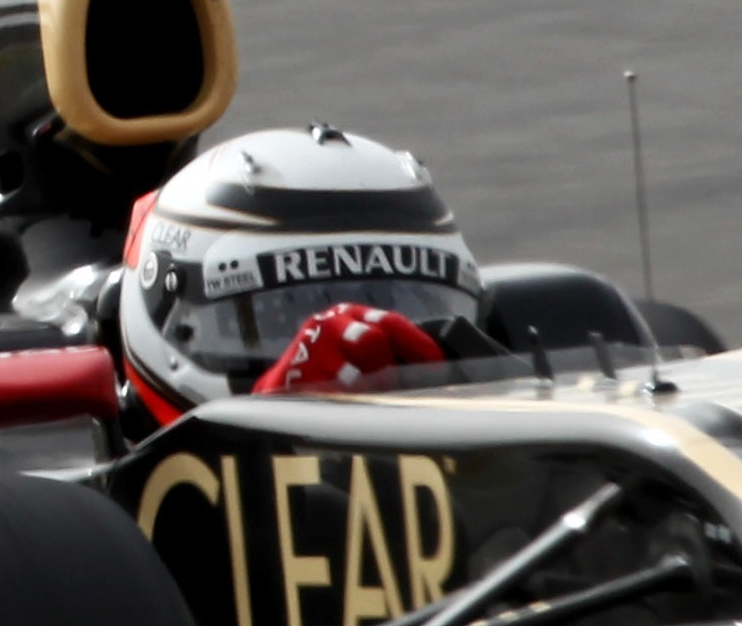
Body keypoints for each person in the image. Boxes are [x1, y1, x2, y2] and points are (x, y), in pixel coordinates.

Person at [114, 124, 495, 411]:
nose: (361, 366)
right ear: (174, 313)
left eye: (411, 305)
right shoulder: (90, 510)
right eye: (280, 315)